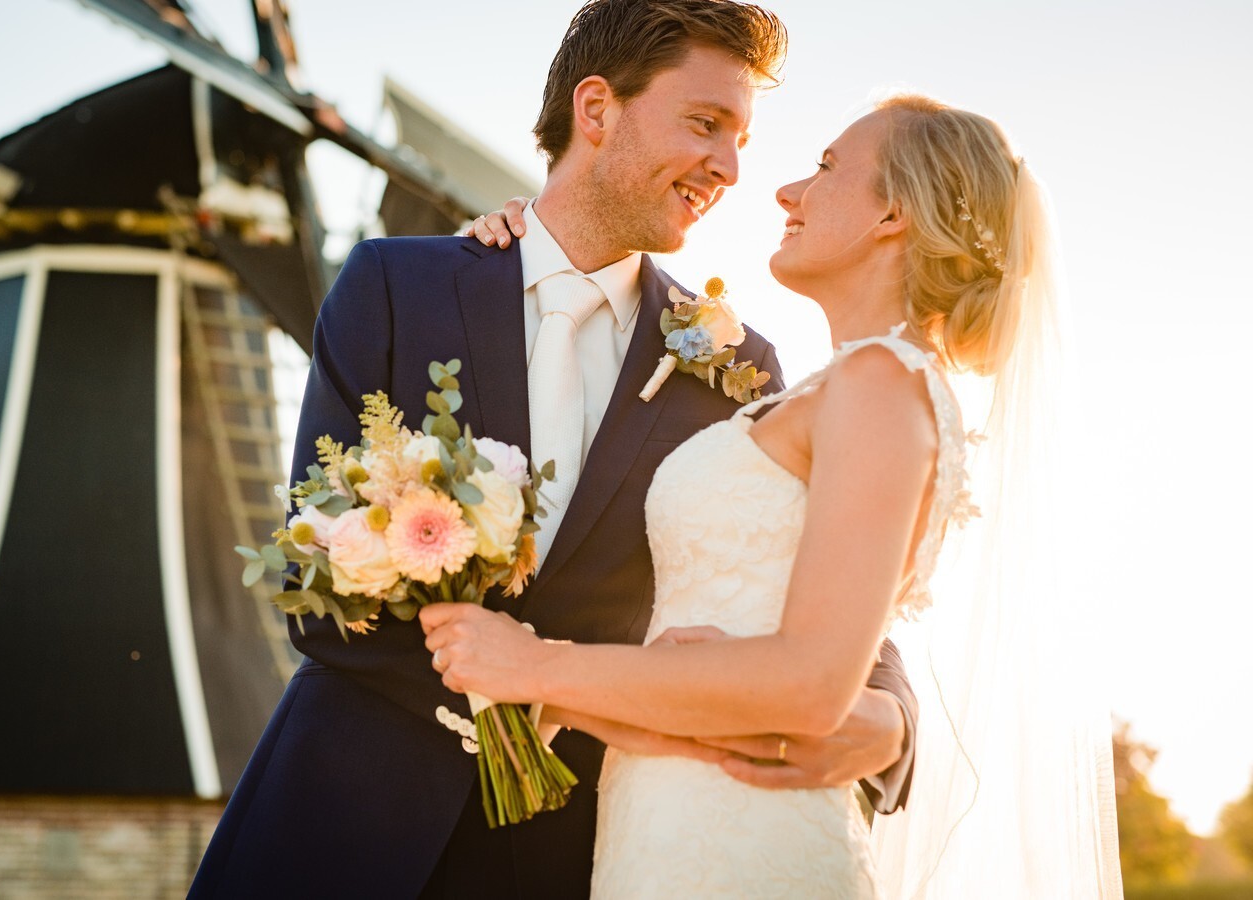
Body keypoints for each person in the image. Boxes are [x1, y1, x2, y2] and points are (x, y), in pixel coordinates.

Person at [188, 2, 919, 898]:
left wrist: (891, 718)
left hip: (563, 851)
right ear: (599, 109)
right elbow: (317, 581)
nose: (730, 167)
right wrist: (519, 686)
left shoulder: (734, 363)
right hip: (331, 827)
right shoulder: (394, 287)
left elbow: (812, 565)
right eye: (705, 124)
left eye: (741, 137)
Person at [426, 95, 1122, 896]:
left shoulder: (880, 386)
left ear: (892, 213)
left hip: (743, 842)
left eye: (825, 168)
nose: (787, 191)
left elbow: (812, 683)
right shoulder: (833, 392)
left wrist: (541, 668)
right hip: (663, 815)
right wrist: (568, 698)